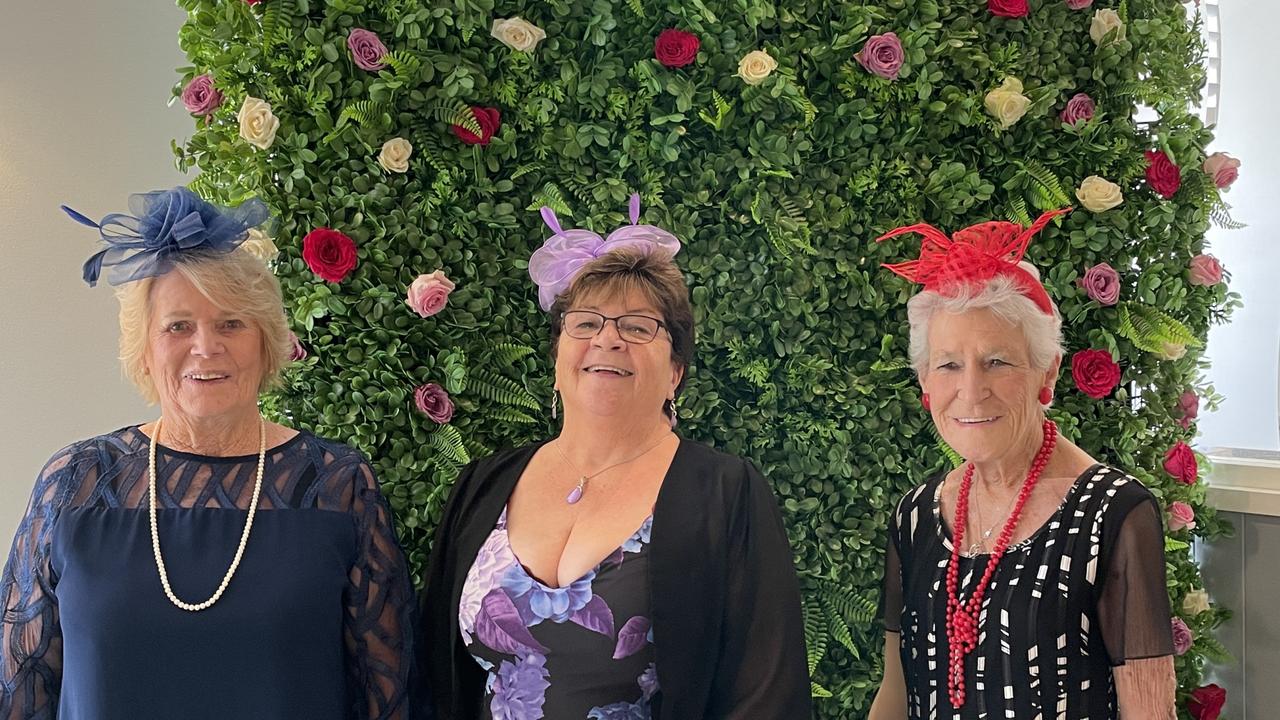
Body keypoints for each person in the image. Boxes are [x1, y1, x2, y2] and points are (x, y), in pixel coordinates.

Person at [0, 188, 414, 719]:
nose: (205, 346)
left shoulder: (337, 487)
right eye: (178, 326)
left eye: (231, 323)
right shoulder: (76, 484)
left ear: (266, 343)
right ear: (145, 351)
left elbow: (388, 696)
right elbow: (20, 690)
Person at [417, 195, 811, 719]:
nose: (608, 339)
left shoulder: (725, 492)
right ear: (558, 360)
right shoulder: (484, 485)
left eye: (638, 326)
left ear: (675, 372)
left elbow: (766, 694)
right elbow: (435, 679)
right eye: (585, 324)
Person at [867, 208, 1177, 719]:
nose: (970, 390)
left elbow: (1151, 714)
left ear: (1045, 370)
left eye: (997, 362)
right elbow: (896, 695)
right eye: (948, 365)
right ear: (925, 381)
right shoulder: (916, 515)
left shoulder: (1113, 515)